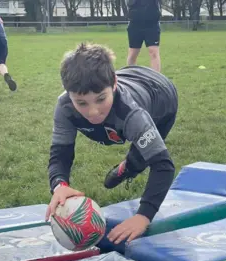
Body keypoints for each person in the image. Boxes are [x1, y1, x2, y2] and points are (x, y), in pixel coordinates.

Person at [45, 43, 178, 244]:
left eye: (100, 99)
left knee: (143, 158)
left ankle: (128, 167)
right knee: (138, 150)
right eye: (81, 103)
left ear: (113, 85)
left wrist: (143, 216)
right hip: (132, 79)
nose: (93, 112)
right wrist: (59, 185)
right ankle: (130, 164)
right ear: (68, 93)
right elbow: (60, 153)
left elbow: (163, 166)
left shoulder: (131, 113)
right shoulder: (64, 106)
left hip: (162, 96)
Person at [126, 0, 162, 72]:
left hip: (152, 23)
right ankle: (131, 76)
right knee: (133, 53)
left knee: (153, 52)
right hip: (135, 22)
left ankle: (156, 79)